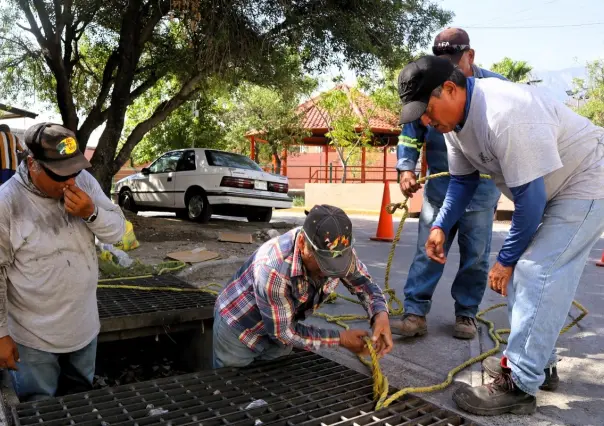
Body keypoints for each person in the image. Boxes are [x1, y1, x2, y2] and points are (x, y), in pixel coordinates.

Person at [397, 55, 604, 416]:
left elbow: (531, 199)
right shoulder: (455, 126)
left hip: (587, 179)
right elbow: (462, 183)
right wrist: (438, 227)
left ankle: (520, 385)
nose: (427, 122)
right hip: (554, 188)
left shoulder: (505, 114)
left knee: (534, 271)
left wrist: (505, 260)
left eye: (427, 110)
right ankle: (539, 363)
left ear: (450, 89)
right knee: (529, 274)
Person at [392, 28, 506, 340]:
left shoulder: (495, 89)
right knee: (429, 247)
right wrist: (405, 167)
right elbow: (411, 131)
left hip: (482, 189)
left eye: (455, 61)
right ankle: (415, 312)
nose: (449, 70)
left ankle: (467, 314)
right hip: (442, 186)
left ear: (470, 56)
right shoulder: (429, 82)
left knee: (476, 255)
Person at [0, 123, 126, 401]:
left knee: (82, 402)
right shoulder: (7, 203)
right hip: (33, 340)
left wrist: (91, 212)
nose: (70, 181)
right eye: (60, 174)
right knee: (39, 409)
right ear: (32, 164)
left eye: (75, 171)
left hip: (84, 328)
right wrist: (1, 335)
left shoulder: (85, 184)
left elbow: (117, 231)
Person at [213, 204, 393, 368]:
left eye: (335, 266)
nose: (329, 273)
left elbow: (364, 283)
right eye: (323, 264)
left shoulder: (338, 251)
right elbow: (284, 334)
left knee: (271, 384)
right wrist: (341, 339)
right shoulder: (273, 268)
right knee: (233, 387)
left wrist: (380, 315)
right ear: (302, 244)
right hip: (240, 329)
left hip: (281, 326)